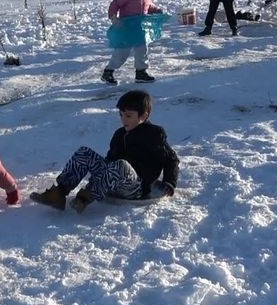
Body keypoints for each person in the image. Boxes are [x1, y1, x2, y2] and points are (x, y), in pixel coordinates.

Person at [30, 90, 179, 213]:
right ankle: (59, 193)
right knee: (84, 152)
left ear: (143, 116)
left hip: (136, 187)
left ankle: (85, 197)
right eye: (121, 115)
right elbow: (110, 160)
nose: (123, 119)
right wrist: (101, 175)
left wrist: (169, 182)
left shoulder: (154, 134)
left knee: (121, 165)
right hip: (112, 183)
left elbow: (171, 160)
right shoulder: (120, 134)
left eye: (128, 116)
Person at [102, 0, 165, 85]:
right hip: (126, 28)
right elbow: (115, 4)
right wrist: (113, 17)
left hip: (140, 28)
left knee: (142, 50)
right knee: (122, 52)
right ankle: (108, 71)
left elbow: (148, 6)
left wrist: (157, 10)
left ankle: (141, 72)